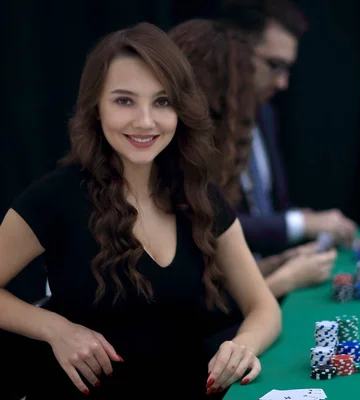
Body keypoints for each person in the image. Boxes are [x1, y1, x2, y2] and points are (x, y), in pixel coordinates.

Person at [0, 22, 281, 399]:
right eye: (124, 100)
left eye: (162, 101)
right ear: (95, 108)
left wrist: (243, 344)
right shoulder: (53, 198)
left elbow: (263, 306)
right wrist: (55, 328)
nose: (145, 121)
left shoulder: (199, 195)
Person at [169, 19, 337, 304]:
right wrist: (287, 278)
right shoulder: (177, 162)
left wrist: (278, 263)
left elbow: (220, 255)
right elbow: (193, 316)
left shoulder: (247, 125)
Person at [217, 0, 358, 257]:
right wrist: (299, 224)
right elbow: (212, 225)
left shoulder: (265, 114)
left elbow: (272, 209)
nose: (283, 83)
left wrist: (305, 220)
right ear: (236, 52)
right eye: (274, 66)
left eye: (287, 69)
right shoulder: (199, 122)